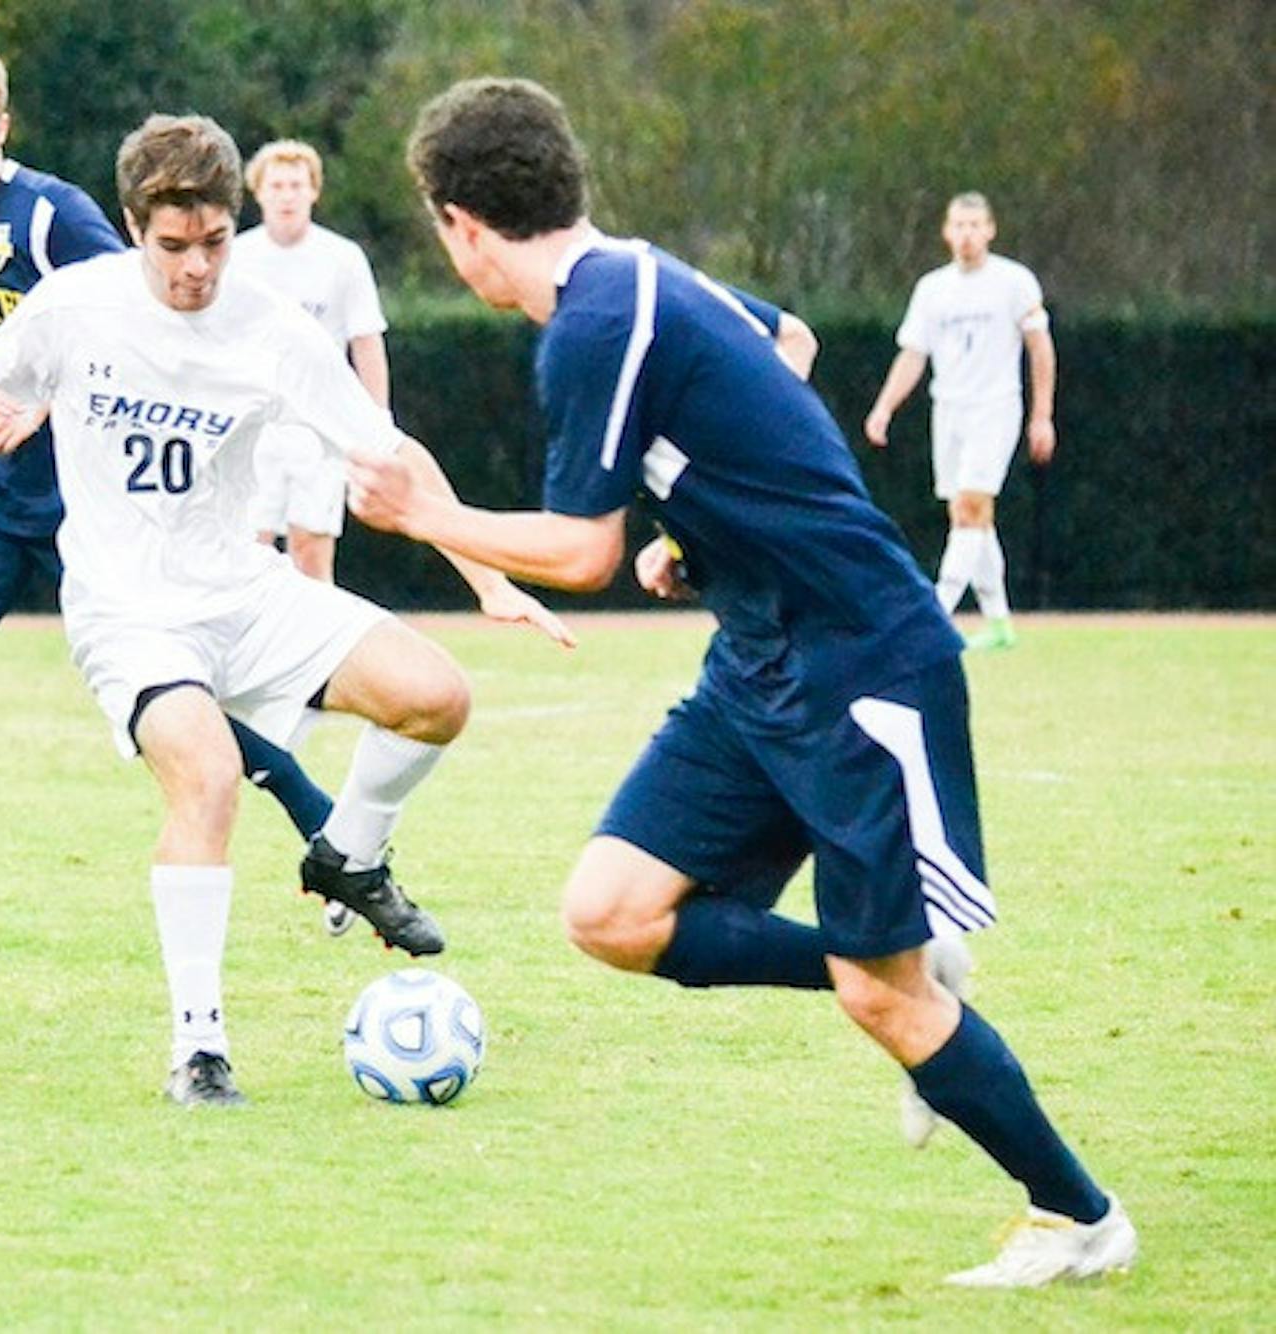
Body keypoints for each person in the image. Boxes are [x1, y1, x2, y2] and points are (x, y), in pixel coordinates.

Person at [355, 77, 1133, 1286]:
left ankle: (1077, 1213)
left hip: (859, 659)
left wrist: (432, 513)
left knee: (882, 1004)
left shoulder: (592, 324)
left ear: (458, 224)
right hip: (756, 658)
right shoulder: (636, 272)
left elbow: (578, 551)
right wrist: (701, 526)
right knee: (609, 911)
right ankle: (886, 957)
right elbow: (785, 344)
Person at [0, 112, 574, 1107]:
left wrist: (488, 575)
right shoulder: (73, 306)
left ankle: (347, 855)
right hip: (129, 614)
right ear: (130, 225)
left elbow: (390, 456)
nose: (194, 267)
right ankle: (198, 1048)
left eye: (211, 243)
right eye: (171, 246)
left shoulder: (270, 328)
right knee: (204, 777)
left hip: (244, 593)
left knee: (436, 696)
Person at [0, 42, 339, 942]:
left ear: (3, 123)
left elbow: (138, 313)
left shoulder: (50, 212)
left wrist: (40, 403)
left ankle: (332, 842)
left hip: (96, 500)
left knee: (188, 702)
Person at [865, 192, 1056, 651]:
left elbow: (1040, 348)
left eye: (976, 225)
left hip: (996, 407)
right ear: (946, 232)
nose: (967, 235)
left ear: (990, 229)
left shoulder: (1014, 282)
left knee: (971, 506)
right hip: (948, 410)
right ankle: (998, 624)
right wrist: (885, 407)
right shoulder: (933, 288)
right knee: (968, 515)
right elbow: (914, 354)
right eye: (959, 226)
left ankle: (933, 616)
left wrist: (1042, 415)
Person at [233, 139, 390, 583]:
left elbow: (366, 342)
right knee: (248, 549)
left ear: (313, 192)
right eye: (277, 185)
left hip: (320, 427)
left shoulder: (342, 259)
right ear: (259, 192)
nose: (287, 195)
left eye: (296, 185)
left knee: (311, 551)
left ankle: (320, 649)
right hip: (253, 425)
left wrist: (377, 424)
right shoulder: (238, 258)